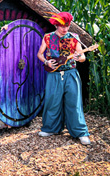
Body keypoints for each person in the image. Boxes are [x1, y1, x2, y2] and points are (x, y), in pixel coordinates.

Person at [37, 12, 90, 145]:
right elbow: (39, 54)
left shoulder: (74, 37)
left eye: (67, 25)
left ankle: (80, 132)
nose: (65, 29)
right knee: (52, 101)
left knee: (74, 103)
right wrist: (46, 62)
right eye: (62, 26)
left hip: (70, 73)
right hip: (54, 74)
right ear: (56, 25)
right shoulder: (47, 37)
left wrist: (80, 58)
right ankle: (51, 128)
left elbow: (82, 57)